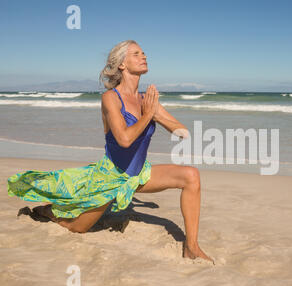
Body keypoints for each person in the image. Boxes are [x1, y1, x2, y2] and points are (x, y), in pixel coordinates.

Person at [7, 40, 213, 263]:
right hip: (110, 176)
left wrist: (156, 113)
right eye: (136, 54)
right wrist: (147, 115)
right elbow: (124, 140)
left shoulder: (147, 101)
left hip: (138, 174)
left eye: (143, 53)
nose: (144, 56)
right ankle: (51, 212)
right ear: (122, 64)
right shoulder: (110, 98)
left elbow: (183, 132)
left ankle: (191, 247)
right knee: (77, 228)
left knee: (191, 176)